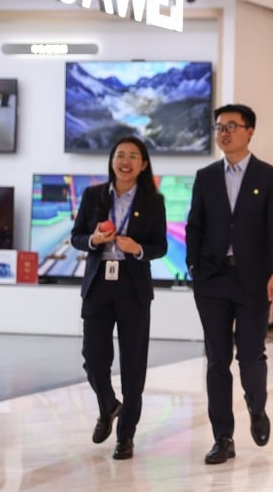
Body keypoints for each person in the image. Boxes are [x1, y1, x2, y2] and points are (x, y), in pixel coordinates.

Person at [185, 104, 273, 465]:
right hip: (212, 279)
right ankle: (222, 437)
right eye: (219, 127)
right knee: (217, 359)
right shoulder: (206, 176)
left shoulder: (269, 177)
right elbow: (194, 225)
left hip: (252, 281)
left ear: (250, 131)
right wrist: (195, 267)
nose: (224, 132)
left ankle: (256, 408)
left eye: (232, 126)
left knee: (250, 354)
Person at [70, 135, 167, 461]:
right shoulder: (93, 195)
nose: (125, 161)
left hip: (133, 288)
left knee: (133, 367)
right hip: (99, 286)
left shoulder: (154, 202)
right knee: (93, 360)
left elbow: (160, 247)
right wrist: (95, 239)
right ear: (112, 161)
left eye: (133, 156)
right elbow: (76, 238)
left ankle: (125, 436)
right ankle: (108, 405)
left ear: (143, 165)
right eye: (120, 155)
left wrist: (136, 248)